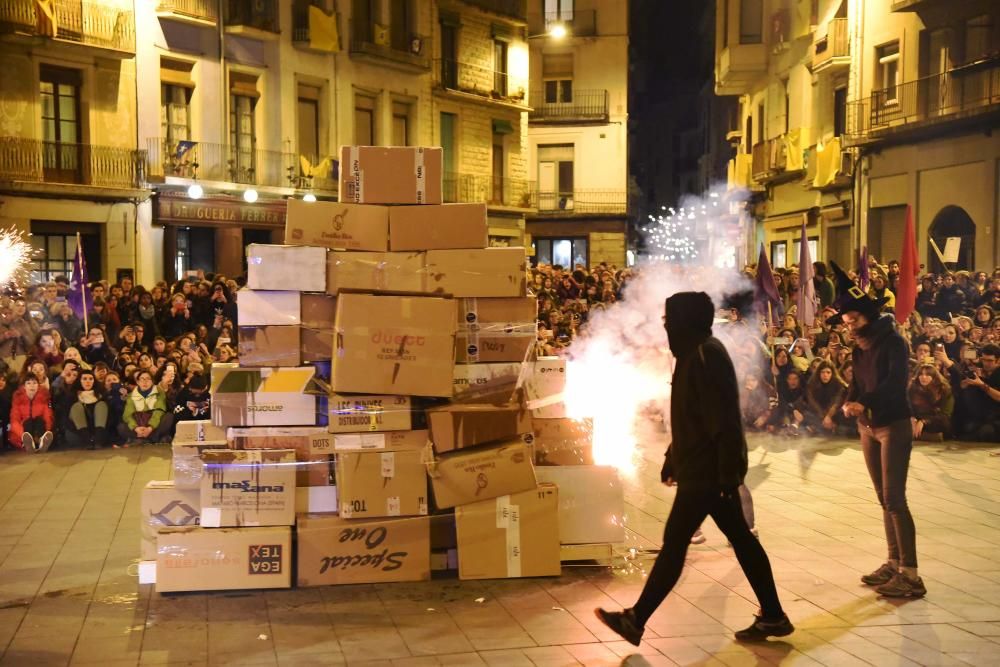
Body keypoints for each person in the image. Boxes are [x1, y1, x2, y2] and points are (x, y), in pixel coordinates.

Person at [595, 292, 792, 644]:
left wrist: (728, 476)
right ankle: (774, 615)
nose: (665, 326)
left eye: (669, 320)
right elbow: (693, 417)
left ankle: (636, 620)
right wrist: (674, 456)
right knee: (741, 540)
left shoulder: (705, 355)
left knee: (676, 543)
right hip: (702, 468)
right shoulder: (692, 354)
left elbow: (725, 422)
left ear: (684, 321)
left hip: (709, 472)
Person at [829, 261, 925, 598]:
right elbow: (856, 382)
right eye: (846, 322)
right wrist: (850, 402)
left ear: (868, 314)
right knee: (883, 498)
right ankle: (892, 561)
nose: (850, 325)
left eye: (854, 319)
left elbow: (894, 383)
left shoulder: (893, 343)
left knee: (896, 499)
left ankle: (911, 575)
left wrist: (865, 402)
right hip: (867, 427)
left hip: (893, 424)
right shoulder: (859, 346)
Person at [118, 369, 174, 445]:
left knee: (169, 417)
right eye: (142, 379)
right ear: (137, 382)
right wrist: (136, 428)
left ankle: (143, 438)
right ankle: (150, 438)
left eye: (148, 379)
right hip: (138, 423)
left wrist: (150, 427)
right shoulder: (131, 395)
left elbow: (159, 410)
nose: (145, 382)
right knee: (121, 427)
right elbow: (127, 415)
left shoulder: (159, 392)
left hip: (154, 423)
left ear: (152, 381)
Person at [64, 369, 111, 450]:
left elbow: (110, 417)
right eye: (84, 379)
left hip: (99, 433)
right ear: (80, 381)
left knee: (101, 405)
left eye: (90, 379)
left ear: (94, 381)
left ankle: (98, 440)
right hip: (78, 434)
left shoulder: (101, 394)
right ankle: (87, 440)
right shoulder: (72, 396)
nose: (88, 381)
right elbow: (65, 418)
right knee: (76, 407)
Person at [8, 376, 54, 452]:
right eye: (28, 383)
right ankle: (28, 443)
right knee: (28, 422)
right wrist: (23, 435)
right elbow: (14, 421)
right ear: (24, 387)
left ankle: (41, 441)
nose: (32, 385)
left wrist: (47, 431)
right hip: (23, 431)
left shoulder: (44, 399)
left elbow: (48, 417)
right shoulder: (18, 401)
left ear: (38, 386)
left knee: (39, 420)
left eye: (34, 383)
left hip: (39, 430)